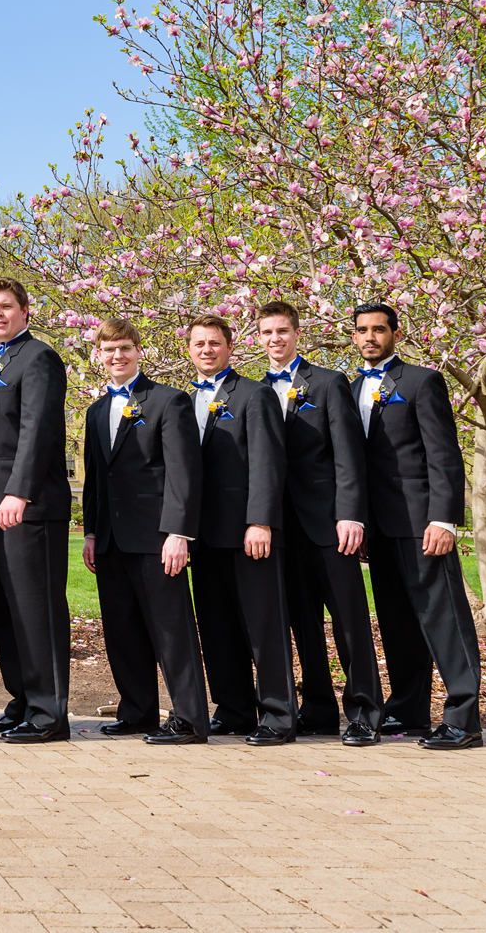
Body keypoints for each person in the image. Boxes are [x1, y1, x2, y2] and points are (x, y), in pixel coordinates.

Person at [350, 303, 484, 749]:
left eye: (379, 329)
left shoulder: (422, 381)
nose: (371, 337)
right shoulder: (351, 390)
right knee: (397, 623)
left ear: (395, 333)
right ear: (354, 337)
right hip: (381, 529)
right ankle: (408, 711)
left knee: (444, 619)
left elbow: (444, 455)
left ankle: (464, 719)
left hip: (422, 522)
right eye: (363, 330)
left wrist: (444, 519)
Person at [254, 301, 382, 745]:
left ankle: (365, 712)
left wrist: (351, 515)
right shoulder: (252, 391)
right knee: (301, 624)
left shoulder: (328, 384)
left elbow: (350, 456)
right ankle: (319, 709)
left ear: (297, 333)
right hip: (280, 530)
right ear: (258, 337)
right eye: (268, 332)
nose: (276, 340)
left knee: (349, 622)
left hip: (329, 524)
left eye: (283, 331)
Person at [79, 317, 209, 744]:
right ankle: (137, 712)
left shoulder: (169, 402)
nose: (117, 356)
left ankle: (190, 719)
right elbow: (97, 478)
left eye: (125, 349)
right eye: (109, 350)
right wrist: (92, 535)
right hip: (112, 540)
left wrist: (178, 533)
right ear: (100, 355)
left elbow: (183, 473)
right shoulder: (96, 411)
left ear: (139, 351)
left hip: (158, 538)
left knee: (171, 630)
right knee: (123, 630)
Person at [0, 278, 71, 745]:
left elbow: (37, 430)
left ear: (25, 310)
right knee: (6, 611)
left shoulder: (38, 358)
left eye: (6, 306)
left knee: (35, 610)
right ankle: (22, 700)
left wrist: (19, 493)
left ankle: (49, 715)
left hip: (29, 508)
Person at [184, 314, 295, 746]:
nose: (207, 350)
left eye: (215, 342)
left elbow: (269, 462)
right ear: (188, 349)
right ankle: (233, 710)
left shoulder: (254, 394)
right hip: (204, 534)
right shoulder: (182, 400)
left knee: (262, 626)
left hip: (250, 532)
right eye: (199, 343)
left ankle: (279, 716)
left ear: (230, 347)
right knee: (217, 626)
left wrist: (260, 520)